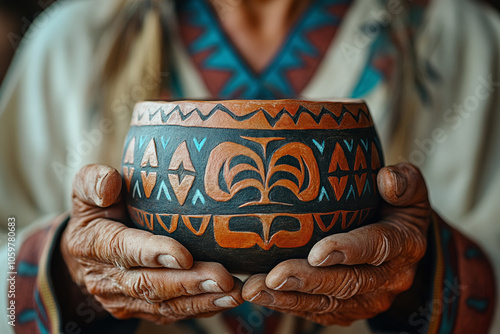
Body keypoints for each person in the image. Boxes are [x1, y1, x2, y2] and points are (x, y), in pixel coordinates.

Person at [0, 0, 498, 333]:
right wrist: (65, 271)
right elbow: (6, 273)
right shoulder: (73, 41)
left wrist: (426, 272)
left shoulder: (462, 40)